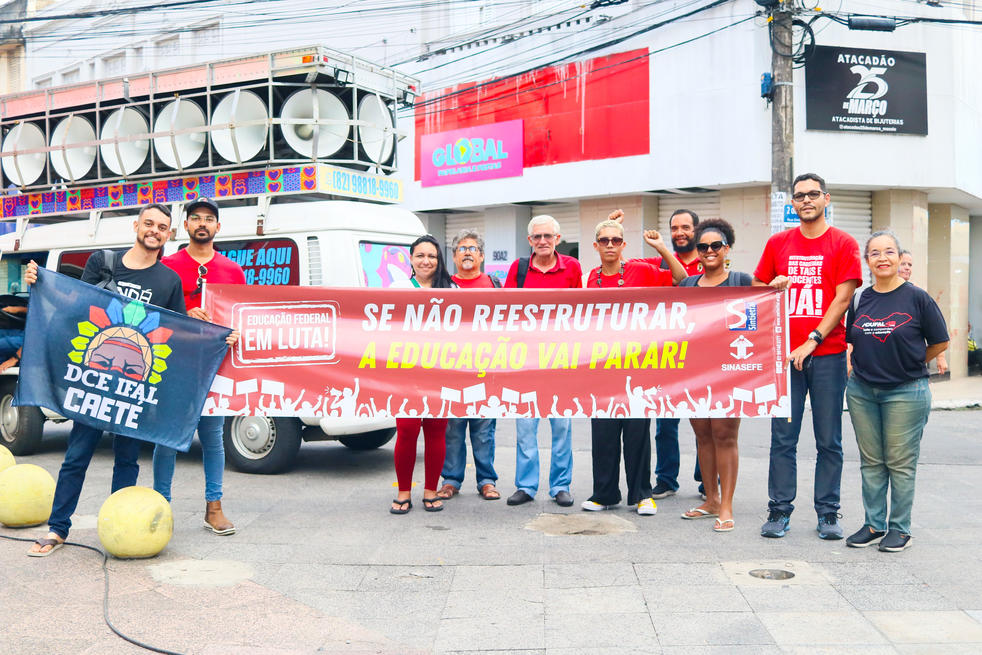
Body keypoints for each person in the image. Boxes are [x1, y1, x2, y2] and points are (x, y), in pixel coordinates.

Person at [27, 204, 186, 556]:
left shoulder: (169, 281)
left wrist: (219, 338)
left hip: (133, 384)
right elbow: (77, 306)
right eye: (149, 223)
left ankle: (120, 529)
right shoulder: (103, 262)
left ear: (168, 234)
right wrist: (41, 283)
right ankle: (57, 528)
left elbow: (176, 331)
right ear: (136, 225)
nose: (154, 231)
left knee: (127, 459)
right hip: (93, 380)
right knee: (77, 454)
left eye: (162, 227)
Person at [753, 173, 862, 540]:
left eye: (813, 194)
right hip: (785, 358)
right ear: (793, 203)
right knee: (783, 437)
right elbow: (756, 291)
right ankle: (779, 510)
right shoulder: (777, 244)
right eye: (800, 196)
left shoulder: (843, 244)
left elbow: (842, 300)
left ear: (826, 198)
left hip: (828, 356)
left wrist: (812, 340)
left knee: (828, 439)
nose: (806, 200)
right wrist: (772, 287)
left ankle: (828, 513)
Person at [844, 231, 948, 552]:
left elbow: (940, 342)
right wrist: (853, 369)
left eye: (889, 251)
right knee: (871, 461)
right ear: (868, 262)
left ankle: (900, 529)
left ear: (899, 257)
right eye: (875, 253)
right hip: (862, 391)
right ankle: (874, 524)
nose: (882, 258)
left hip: (906, 391)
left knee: (900, 462)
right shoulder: (860, 298)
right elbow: (852, 339)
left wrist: (913, 362)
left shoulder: (917, 298)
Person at [153, 198, 243, 536]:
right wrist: (184, 315)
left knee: (213, 439)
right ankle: (161, 506)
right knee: (168, 438)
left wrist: (235, 334)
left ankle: (214, 508)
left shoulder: (232, 270)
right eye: (196, 218)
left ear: (218, 227)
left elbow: (241, 315)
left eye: (209, 219)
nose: (202, 224)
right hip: (174, 364)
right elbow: (155, 315)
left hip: (214, 366)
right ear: (186, 226)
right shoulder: (169, 265)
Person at [581, 220, 684, 516]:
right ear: (596, 246)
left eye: (616, 240)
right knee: (603, 433)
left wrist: (662, 247)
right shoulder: (591, 278)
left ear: (624, 245)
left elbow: (680, 278)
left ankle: (642, 494)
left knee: (638, 432)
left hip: (638, 365)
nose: (610, 245)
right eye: (604, 240)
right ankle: (604, 493)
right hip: (601, 367)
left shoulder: (643, 271)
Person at [609, 207, 704, 500]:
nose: (679, 233)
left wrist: (662, 247)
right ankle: (666, 479)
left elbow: (685, 280)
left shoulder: (709, 259)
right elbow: (618, 265)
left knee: (704, 421)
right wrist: (613, 231)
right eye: (674, 228)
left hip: (700, 349)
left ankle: (706, 481)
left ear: (696, 231)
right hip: (666, 352)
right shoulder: (655, 262)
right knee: (665, 423)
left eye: (685, 227)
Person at [677, 219, 751, 532]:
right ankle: (710, 499)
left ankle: (726, 505)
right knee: (703, 436)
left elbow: (753, 325)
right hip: (695, 372)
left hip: (729, 371)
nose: (709, 251)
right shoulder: (687, 286)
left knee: (724, 435)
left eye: (715, 246)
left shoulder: (741, 281)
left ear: (726, 249)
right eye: (703, 247)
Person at [504, 215, 582, 508]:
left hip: (560, 361)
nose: (542, 241)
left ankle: (560, 486)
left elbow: (581, 311)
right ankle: (526, 486)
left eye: (548, 236)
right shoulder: (518, 269)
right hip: (525, 361)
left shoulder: (572, 267)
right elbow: (506, 310)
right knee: (525, 427)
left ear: (558, 239)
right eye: (537, 237)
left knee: (561, 427)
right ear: (529, 241)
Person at [390, 234, 453, 514]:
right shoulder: (397, 288)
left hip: (441, 370)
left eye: (432, 256)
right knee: (407, 429)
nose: (426, 261)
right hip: (407, 371)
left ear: (438, 261)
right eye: (420, 256)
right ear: (411, 259)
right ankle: (403, 491)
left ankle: (430, 489)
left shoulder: (452, 290)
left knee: (437, 429)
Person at [437, 229, 501, 501]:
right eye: (461, 249)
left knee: (484, 430)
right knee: (452, 430)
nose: (466, 253)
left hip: (485, 371)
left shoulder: (495, 285)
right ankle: (451, 480)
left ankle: (486, 480)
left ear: (482, 256)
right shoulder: (442, 286)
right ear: (453, 257)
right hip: (451, 371)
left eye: (472, 248)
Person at [896, 249, 947, 375]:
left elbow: (935, 329)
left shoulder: (918, 295)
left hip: (910, 369)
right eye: (903, 264)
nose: (907, 268)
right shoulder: (877, 293)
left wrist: (940, 357)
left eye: (910, 265)